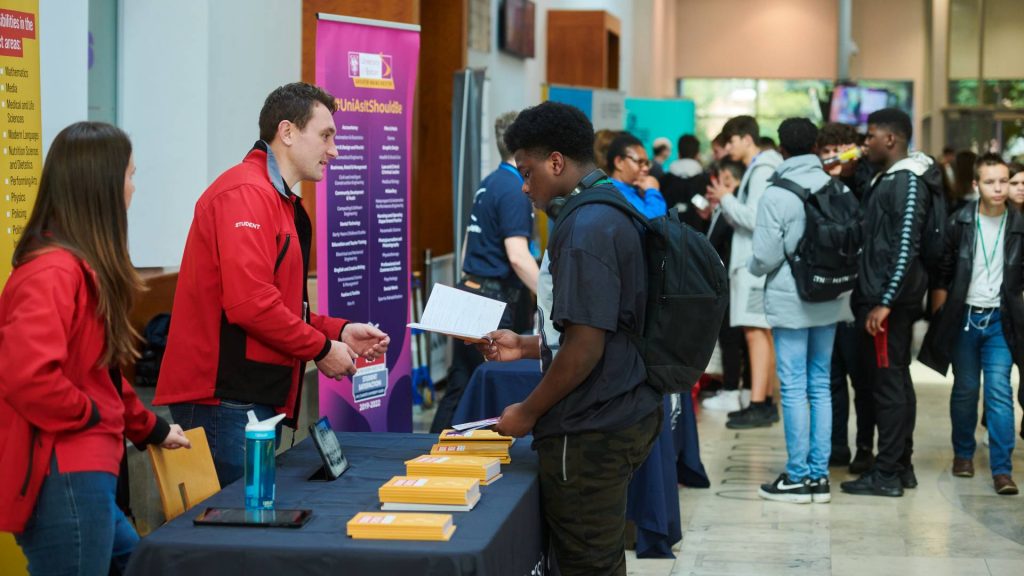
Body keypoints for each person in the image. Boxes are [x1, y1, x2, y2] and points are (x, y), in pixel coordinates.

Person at [155, 83, 389, 486]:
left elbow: (278, 304)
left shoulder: (278, 201)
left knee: (254, 524)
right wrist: (321, 348)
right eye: (326, 136)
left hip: (251, 395)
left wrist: (338, 332)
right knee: (239, 531)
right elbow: (250, 305)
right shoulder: (246, 194)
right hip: (224, 399)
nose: (334, 151)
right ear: (287, 132)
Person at [479, 101, 661, 575]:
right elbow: (603, 326)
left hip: (591, 426)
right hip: (619, 409)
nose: (524, 185)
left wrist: (528, 410)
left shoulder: (584, 226)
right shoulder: (611, 205)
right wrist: (526, 344)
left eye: (528, 171)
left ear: (556, 162)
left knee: (587, 565)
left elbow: (586, 346)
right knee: (595, 557)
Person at [0, 121, 191, 574]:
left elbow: (99, 375)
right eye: (129, 175)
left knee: (138, 563)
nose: (133, 188)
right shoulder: (54, 273)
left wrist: (150, 430)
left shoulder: (78, 267)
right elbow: (28, 377)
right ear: (102, 187)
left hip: (84, 471)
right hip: (65, 473)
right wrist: (92, 416)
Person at [841, 108, 942, 497]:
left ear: (891, 139)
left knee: (888, 385)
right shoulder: (891, 177)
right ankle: (900, 467)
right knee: (895, 381)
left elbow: (905, 245)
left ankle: (886, 474)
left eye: (870, 136)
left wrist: (884, 301)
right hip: (883, 297)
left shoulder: (908, 180)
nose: (865, 143)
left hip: (888, 303)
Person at [749, 118, 850, 503]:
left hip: (792, 300)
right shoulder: (833, 184)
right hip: (831, 297)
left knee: (793, 387)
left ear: (781, 148)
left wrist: (753, 269)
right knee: (820, 383)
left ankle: (797, 476)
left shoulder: (777, 193)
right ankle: (820, 477)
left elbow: (765, 255)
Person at [430, 111, 540, 433]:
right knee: (490, 386)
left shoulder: (490, 183)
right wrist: (552, 296)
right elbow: (518, 257)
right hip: (493, 300)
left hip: (471, 289)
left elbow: (467, 247)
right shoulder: (515, 189)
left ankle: (431, 447)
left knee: (461, 385)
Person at [919, 154, 1021, 496]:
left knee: (999, 390)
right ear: (976, 185)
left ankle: (1002, 470)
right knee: (964, 389)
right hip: (964, 318)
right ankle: (963, 454)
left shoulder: (1019, 223)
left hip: (1001, 322)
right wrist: (941, 313)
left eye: (1003, 181)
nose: (998, 188)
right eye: (990, 182)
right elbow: (943, 270)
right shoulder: (959, 221)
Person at [706, 115, 783, 429]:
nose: (728, 148)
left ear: (746, 139)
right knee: (758, 333)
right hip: (754, 263)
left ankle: (760, 402)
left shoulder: (762, 169)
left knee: (755, 332)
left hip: (754, 265)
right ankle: (761, 400)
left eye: (731, 141)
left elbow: (756, 219)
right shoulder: (761, 167)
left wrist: (726, 199)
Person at [817, 122, 875, 473]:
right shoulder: (820, 184)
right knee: (831, 375)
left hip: (859, 292)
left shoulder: (868, 181)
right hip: (827, 291)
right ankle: (836, 445)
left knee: (862, 378)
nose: (834, 158)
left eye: (841, 149)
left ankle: (864, 448)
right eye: (827, 152)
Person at [701, 160, 751, 412]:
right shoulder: (724, 208)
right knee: (734, 339)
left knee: (733, 339)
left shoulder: (736, 210)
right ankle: (739, 389)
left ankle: (733, 390)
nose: (720, 188)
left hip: (731, 282)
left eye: (726, 183)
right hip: (726, 282)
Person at [607, 133, 667, 218]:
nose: (646, 168)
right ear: (619, 162)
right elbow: (655, 224)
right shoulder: (614, 194)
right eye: (640, 162)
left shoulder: (631, 190)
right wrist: (653, 192)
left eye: (647, 163)